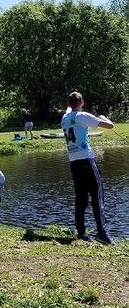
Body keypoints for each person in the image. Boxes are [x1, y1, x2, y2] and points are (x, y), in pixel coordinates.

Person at [61, 91, 114, 243]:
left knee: (81, 198)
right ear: (82, 103)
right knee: (97, 196)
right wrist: (104, 117)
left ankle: (81, 232)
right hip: (87, 161)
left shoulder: (65, 118)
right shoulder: (83, 116)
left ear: (69, 104)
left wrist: (70, 105)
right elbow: (110, 126)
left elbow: (68, 110)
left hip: (74, 163)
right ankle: (101, 233)